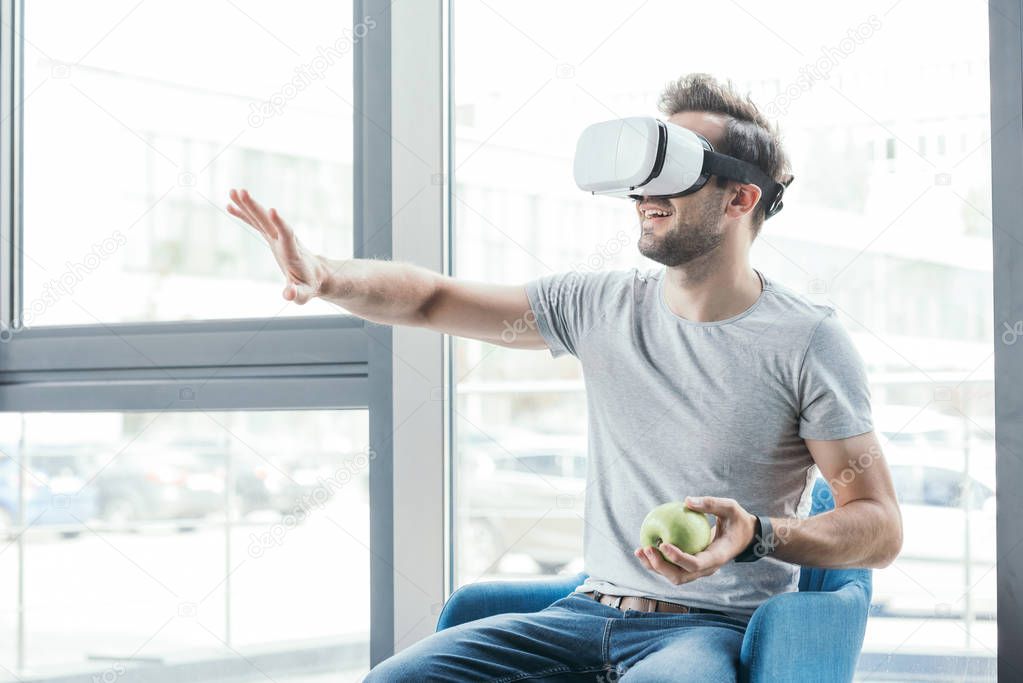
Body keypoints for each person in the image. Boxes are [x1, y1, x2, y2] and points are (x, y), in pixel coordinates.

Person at [227, 73, 902, 682]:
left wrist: (756, 533)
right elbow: (431, 298)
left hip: (707, 630)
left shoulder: (807, 339)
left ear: (739, 198)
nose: (643, 189)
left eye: (674, 167)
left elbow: (877, 525)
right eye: (643, 166)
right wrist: (326, 276)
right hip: (580, 614)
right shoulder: (596, 307)